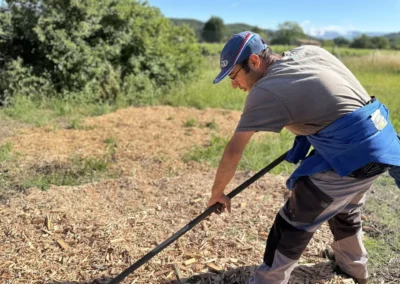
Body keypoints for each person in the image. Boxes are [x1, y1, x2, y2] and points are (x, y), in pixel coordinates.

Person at [207, 31, 400, 284]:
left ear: (254, 61)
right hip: (382, 142)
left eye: (234, 75)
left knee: (292, 224)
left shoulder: (265, 90)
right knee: (344, 208)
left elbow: (234, 151)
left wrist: (217, 193)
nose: (234, 84)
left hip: (353, 154)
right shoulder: (309, 52)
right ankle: (354, 268)